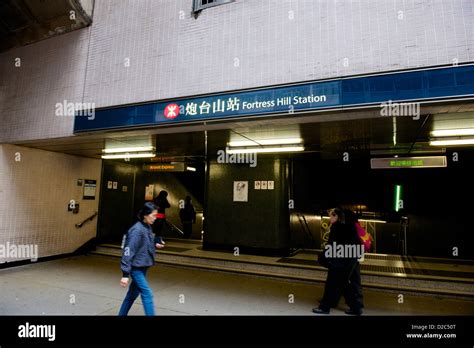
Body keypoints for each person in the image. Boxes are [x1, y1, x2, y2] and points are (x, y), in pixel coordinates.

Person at [313, 207, 363, 315]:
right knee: (344, 282)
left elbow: (331, 245)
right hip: (351, 257)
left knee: (331, 283)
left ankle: (325, 307)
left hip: (340, 259)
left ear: (337, 216)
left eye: (331, 216)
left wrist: (324, 257)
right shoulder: (351, 226)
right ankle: (356, 307)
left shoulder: (337, 227)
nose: (329, 218)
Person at [118, 202, 164, 316]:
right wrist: (125, 274)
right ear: (145, 215)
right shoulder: (136, 230)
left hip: (143, 266)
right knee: (147, 293)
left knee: (132, 295)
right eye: (153, 215)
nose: (155, 218)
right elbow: (128, 251)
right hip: (136, 268)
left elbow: (145, 243)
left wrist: (155, 243)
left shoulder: (147, 226)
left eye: (156, 215)